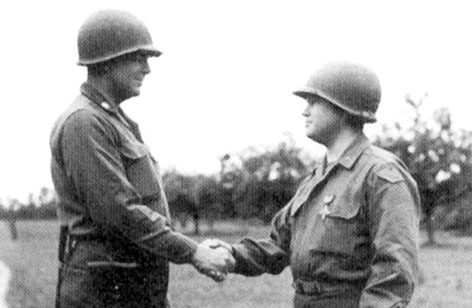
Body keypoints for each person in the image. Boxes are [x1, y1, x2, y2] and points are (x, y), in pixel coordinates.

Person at [50, 9, 234, 308]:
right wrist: (193, 251)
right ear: (108, 62)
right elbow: (118, 212)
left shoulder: (113, 120)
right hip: (105, 291)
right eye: (138, 58)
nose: (147, 69)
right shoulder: (84, 122)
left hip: (127, 284)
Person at [204, 61, 420, 308]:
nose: (305, 112)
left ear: (341, 107)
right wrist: (232, 255)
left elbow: (396, 267)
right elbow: (278, 245)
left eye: (313, 102)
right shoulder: (316, 178)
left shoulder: (381, 174)